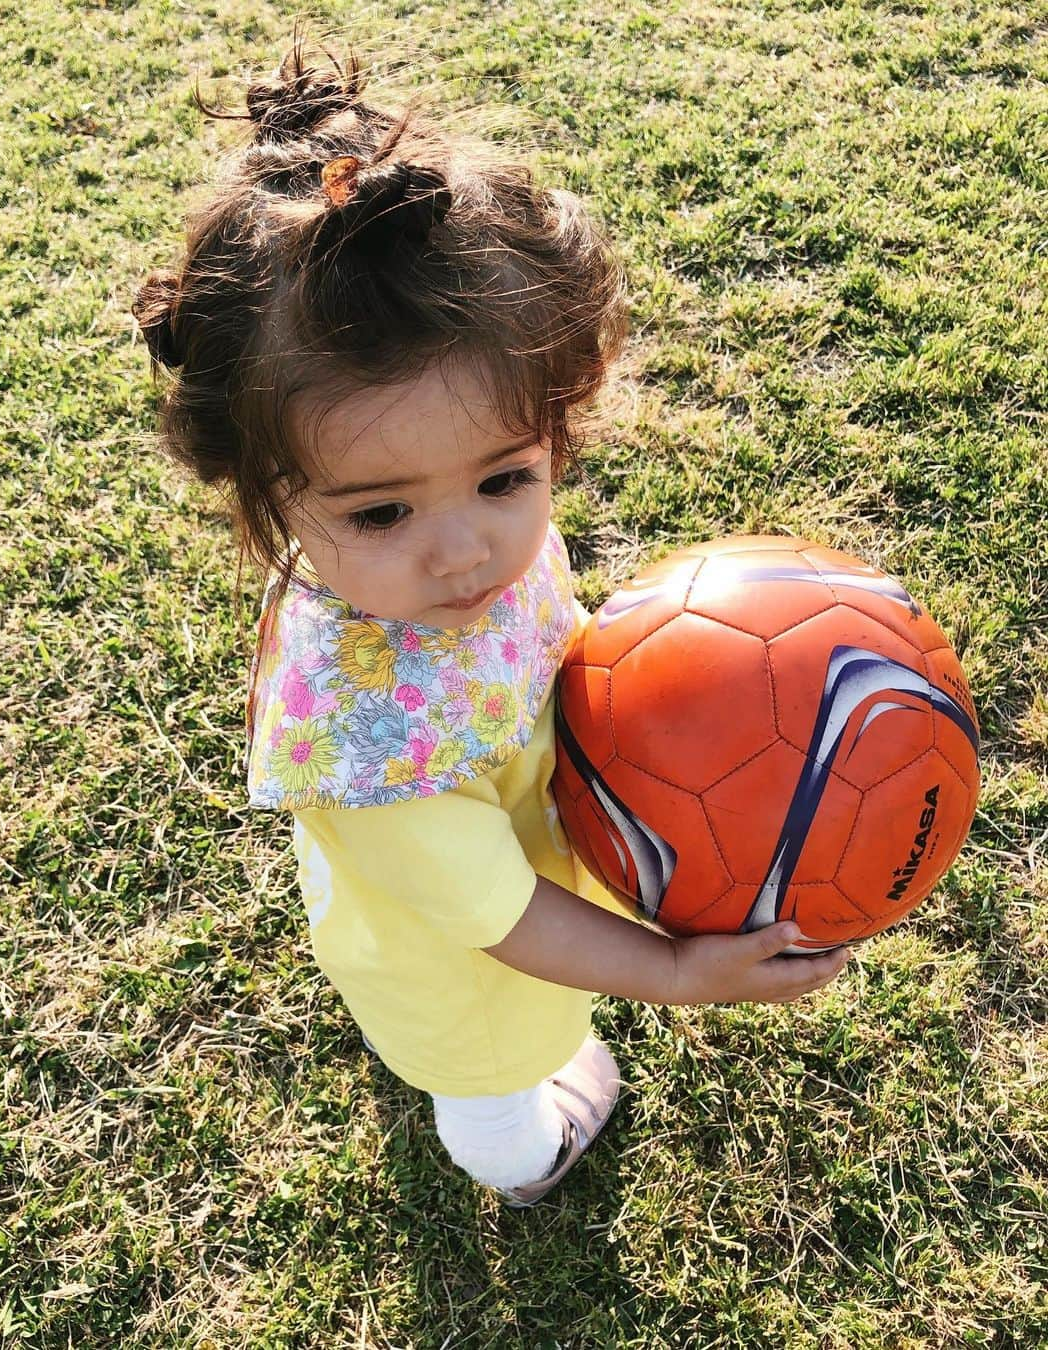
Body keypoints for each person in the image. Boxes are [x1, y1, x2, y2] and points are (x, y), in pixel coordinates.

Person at [131, 29, 850, 1207]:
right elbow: (510, 919)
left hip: (511, 851)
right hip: (464, 970)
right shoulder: (373, 751)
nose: (466, 550)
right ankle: (522, 1163)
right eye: (380, 512)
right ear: (270, 494)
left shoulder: (439, 558)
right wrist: (679, 973)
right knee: (492, 1084)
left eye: (506, 480)